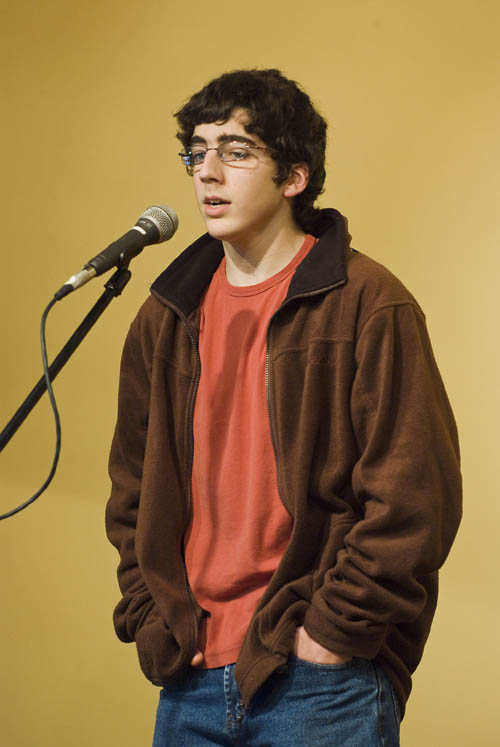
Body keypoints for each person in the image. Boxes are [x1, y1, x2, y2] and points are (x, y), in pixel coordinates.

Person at [105, 69, 462, 746]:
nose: (207, 171)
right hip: (190, 671)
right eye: (196, 152)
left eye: (235, 151)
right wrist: (152, 615)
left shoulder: (367, 303)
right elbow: (131, 491)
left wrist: (333, 630)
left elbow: (416, 495)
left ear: (295, 176)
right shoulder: (165, 316)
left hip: (319, 678)